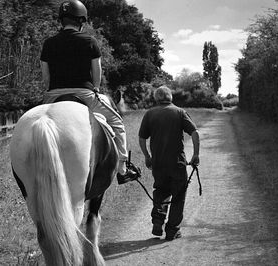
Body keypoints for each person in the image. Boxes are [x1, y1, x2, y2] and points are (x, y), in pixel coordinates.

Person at [40, 0, 140, 184]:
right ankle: (122, 168)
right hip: (84, 94)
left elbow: (45, 77)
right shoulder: (89, 41)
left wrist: (50, 90)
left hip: (53, 95)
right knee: (117, 123)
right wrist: (95, 87)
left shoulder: (49, 43)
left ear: (61, 20)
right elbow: (97, 71)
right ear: (81, 20)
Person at [138, 85, 200, 240]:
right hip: (177, 163)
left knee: (160, 191)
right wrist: (196, 155)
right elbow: (195, 132)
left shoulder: (150, 114)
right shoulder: (179, 112)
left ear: (156, 98)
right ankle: (172, 231)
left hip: (158, 164)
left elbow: (142, 138)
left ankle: (158, 222)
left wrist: (147, 156)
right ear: (170, 97)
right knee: (178, 196)